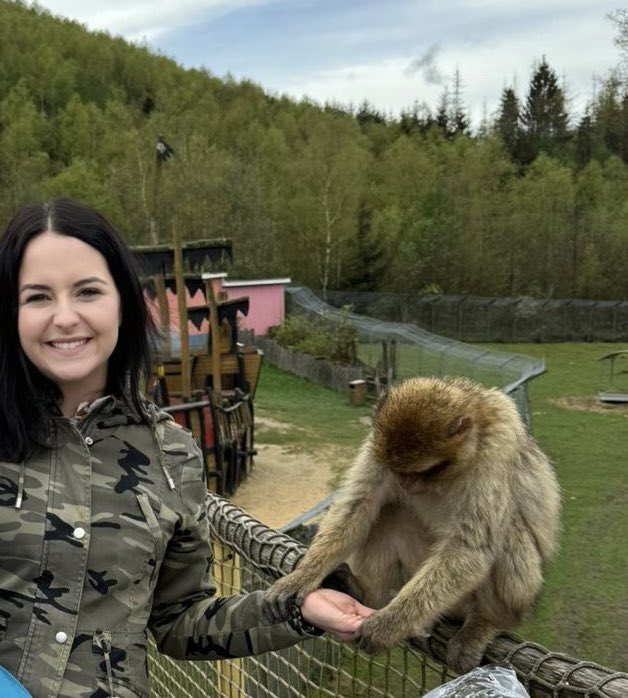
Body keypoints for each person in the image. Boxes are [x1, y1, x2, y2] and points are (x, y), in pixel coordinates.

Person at [0, 198, 374, 698]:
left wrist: (297, 608)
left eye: (87, 291)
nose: (65, 317)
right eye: (38, 297)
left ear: (123, 303)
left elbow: (180, 621)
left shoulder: (171, 455)